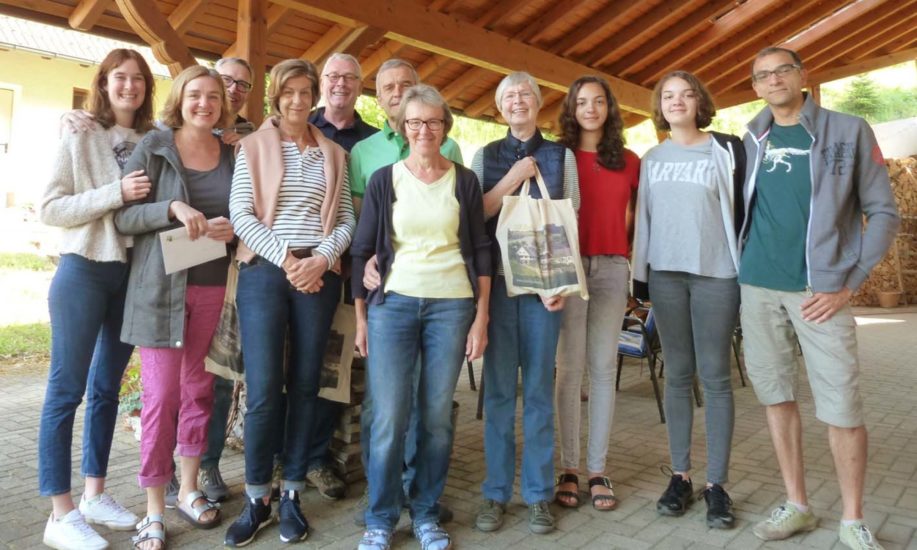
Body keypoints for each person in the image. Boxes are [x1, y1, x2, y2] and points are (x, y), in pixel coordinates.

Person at [739, 47, 898, 550]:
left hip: (820, 292)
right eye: (763, 75)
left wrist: (850, 283)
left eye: (782, 70)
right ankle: (798, 505)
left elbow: (883, 212)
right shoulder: (751, 136)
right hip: (757, 286)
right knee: (776, 396)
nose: (774, 80)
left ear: (802, 75)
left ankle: (852, 519)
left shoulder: (848, 131)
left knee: (842, 405)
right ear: (756, 86)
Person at [351, 83, 491, 550]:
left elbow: (481, 250)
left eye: (432, 121)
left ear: (445, 127)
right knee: (389, 417)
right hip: (393, 307)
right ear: (403, 127)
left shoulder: (464, 181)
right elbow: (362, 250)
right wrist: (361, 318)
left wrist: (482, 316)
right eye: (415, 122)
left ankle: (426, 513)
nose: (424, 130)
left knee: (436, 417)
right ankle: (380, 518)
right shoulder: (384, 180)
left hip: (452, 306)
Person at [224, 59, 355, 547]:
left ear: (314, 95)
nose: (298, 100)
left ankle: (293, 494)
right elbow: (241, 214)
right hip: (265, 272)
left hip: (317, 275)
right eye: (289, 92)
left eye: (305, 91)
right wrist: (287, 260)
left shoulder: (334, 154)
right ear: (276, 96)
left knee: (306, 385)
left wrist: (321, 258)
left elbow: (346, 218)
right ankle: (257, 498)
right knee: (263, 389)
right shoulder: (254, 146)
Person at [115, 65, 236, 550]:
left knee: (199, 392)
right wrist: (171, 208)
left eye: (213, 96)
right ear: (180, 100)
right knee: (161, 399)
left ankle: (188, 489)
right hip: (160, 291)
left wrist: (231, 229)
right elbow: (124, 216)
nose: (204, 103)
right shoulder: (155, 146)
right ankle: (153, 510)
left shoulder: (232, 153)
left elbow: (246, 213)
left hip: (212, 286)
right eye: (195, 95)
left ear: (222, 105)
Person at [38, 48, 154, 550]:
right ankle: (59, 513)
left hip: (131, 277)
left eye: (138, 78)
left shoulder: (153, 139)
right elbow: (51, 207)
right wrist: (115, 193)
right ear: (104, 83)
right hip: (84, 270)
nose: (129, 86)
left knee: (107, 388)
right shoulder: (80, 132)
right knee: (66, 391)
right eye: (120, 77)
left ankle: (94, 494)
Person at [631, 70, 745, 529]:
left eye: (686, 94)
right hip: (666, 276)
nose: (677, 101)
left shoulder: (724, 151)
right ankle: (680, 475)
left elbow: (740, 211)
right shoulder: (652, 159)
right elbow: (644, 219)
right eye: (668, 96)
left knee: (715, 376)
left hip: (717, 274)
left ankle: (717, 485)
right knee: (677, 374)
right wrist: (640, 278)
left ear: (700, 102)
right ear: (660, 106)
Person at [472, 71, 579, 535]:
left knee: (537, 392)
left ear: (538, 102)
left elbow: (571, 219)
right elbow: (475, 214)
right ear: (500, 108)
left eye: (525, 94)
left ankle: (537, 494)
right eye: (509, 96)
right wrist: (513, 178)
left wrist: (561, 284)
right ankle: (496, 492)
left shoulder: (561, 155)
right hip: (497, 286)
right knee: (497, 394)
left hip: (543, 291)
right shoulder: (485, 155)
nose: (518, 101)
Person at [292, 52, 379, 502]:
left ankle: (316, 458)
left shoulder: (371, 142)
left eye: (349, 77)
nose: (340, 83)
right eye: (332, 76)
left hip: (343, 272)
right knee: (287, 362)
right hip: (290, 269)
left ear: (360, 86)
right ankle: (282, 457)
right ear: (320, 82)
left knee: (330, 363)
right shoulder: (296, 124)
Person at [553, 76, 640, 512]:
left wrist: (630, 257)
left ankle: (597, 469)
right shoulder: (557, 157)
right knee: (569, 371)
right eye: (582, 101)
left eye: (599, 101)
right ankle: (568, 467)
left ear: (610, 108)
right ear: (572, 108)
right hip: (568, 270)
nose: (591, 108)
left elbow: (641, 216)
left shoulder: (630, 161)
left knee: (604, 369)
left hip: (611, 268)